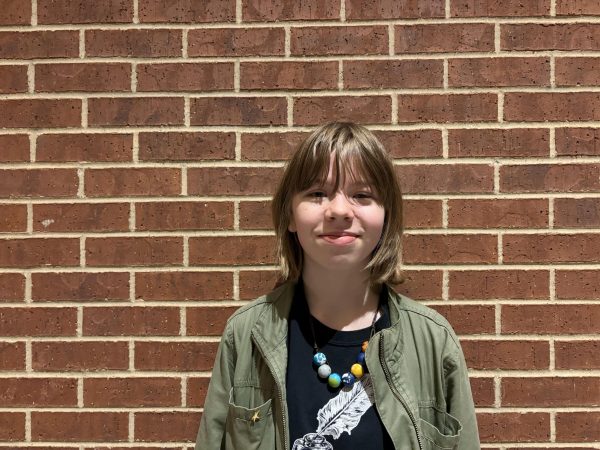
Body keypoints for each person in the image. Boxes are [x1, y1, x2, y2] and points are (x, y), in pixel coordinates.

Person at [194, 122, 480, 449]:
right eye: (317, 193)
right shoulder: (245, 335)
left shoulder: (434, 342)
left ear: (387, 216)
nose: (340, 210)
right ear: (290, 214)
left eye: (362, 195)